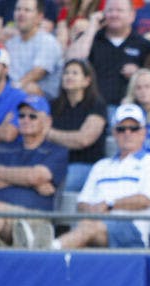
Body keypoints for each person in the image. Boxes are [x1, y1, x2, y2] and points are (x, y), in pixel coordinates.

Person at [18, 103, 150, 250]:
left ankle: (48, 249)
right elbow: (82, 202)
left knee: (87, 227)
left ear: (143, 132)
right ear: (114, 133)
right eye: (121, 129)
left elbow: (146, 200)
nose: (127, 133)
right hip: (96, 226)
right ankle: (44, 248)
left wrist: (108, 205)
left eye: (134, 128)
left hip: (132, 232)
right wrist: (91, 209)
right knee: (86, 225)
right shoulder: (101, 165)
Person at [0, 94, 67, 247]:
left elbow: (37, 176)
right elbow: (33, 178)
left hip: (36, 216)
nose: (25, 120)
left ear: (47, 121)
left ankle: (27, 242)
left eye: (32, 116)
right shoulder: (4, 148)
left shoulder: (56, 151)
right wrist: (29, 181)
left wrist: (3, 174)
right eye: (21, 115)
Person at [66, 0, 150, 107]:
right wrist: (92, 27)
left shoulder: (145, 45)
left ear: (132, 15)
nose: (114, 14)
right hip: (92, 107)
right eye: (110, 10)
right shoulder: (90, 38)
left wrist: (138, 74)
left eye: (119, 10)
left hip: (130, 110)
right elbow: (72, 61)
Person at [46, 58, 107, 191]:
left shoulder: (97, 105)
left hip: (85, 165)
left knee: (58, 184)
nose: (69, 76)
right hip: (54, 162)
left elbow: (84, 140)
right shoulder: (53, 105)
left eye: (75, 73)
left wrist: (50, 134)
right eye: (66, 73)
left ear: (87, 81)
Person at [6, 0, 63, 99]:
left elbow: (37, 73)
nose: (21, 13)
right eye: (18, 9)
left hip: (43, 102)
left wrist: (10, 91)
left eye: (27, 10)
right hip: (15, 96)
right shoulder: (11, 43)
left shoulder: (48, 41)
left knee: (30, 88)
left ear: (39, 17)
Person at [0, 46, 25, 143]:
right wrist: (1, 127)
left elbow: (8, 135)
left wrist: (4, 130)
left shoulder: (18, 97)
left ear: (6, 69)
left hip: (8, 155)